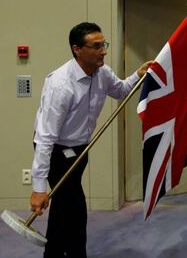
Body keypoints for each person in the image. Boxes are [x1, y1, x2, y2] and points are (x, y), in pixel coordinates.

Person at [30, 22, 152, 258]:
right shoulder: (60, 85)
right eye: (96, 46)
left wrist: (138, 75)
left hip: (80, 149)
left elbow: (120, 91)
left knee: (64, 208)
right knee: (74, 208)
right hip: (56, 150)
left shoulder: (102, 73)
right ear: (77, 49)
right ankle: (75, 253)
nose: (103, 51)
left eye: (103, 44)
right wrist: (38, 188)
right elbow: (45, 138)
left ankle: (53, 252)